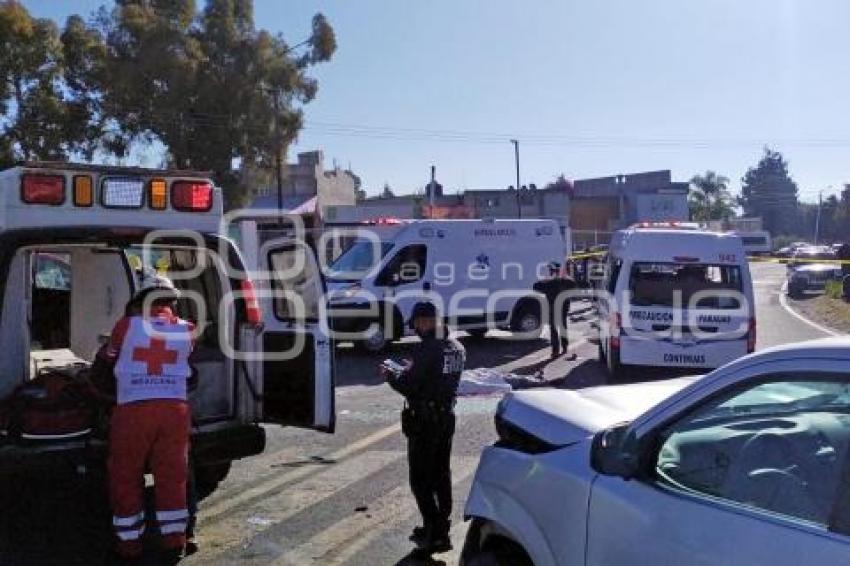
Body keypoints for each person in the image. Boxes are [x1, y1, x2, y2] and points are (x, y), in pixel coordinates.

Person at [97, 274, 195, 562]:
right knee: (173, 476)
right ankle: (175, 541)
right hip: (174, 412)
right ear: (172, 303)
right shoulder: (187, 330)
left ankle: (129, 546)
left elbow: (108, 358)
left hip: (133, 410)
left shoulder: (125, 326)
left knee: (126, 476)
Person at [382, 301, 465, 553]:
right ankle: (440, 527)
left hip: (425, 420)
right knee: (441, 473)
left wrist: (390, 375)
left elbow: (409, 384)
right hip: (446, 416)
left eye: (417, 323)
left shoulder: (427, 348)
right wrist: (413, 369)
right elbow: (434, 376)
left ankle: (434, 531)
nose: (416, 328)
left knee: (420, 478)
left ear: (427, 321)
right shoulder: (456, 346)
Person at [533, 262, 578, 359]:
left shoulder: (548, 281)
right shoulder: (566, 280)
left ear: (552, 271)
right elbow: (574, 286)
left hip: (553, 307)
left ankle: (555, 351)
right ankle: (564, 347)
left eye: (550, 270)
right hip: (563, 307)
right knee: (562, 327)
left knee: (554, 329)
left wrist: (544, 280)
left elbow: (536, 287)